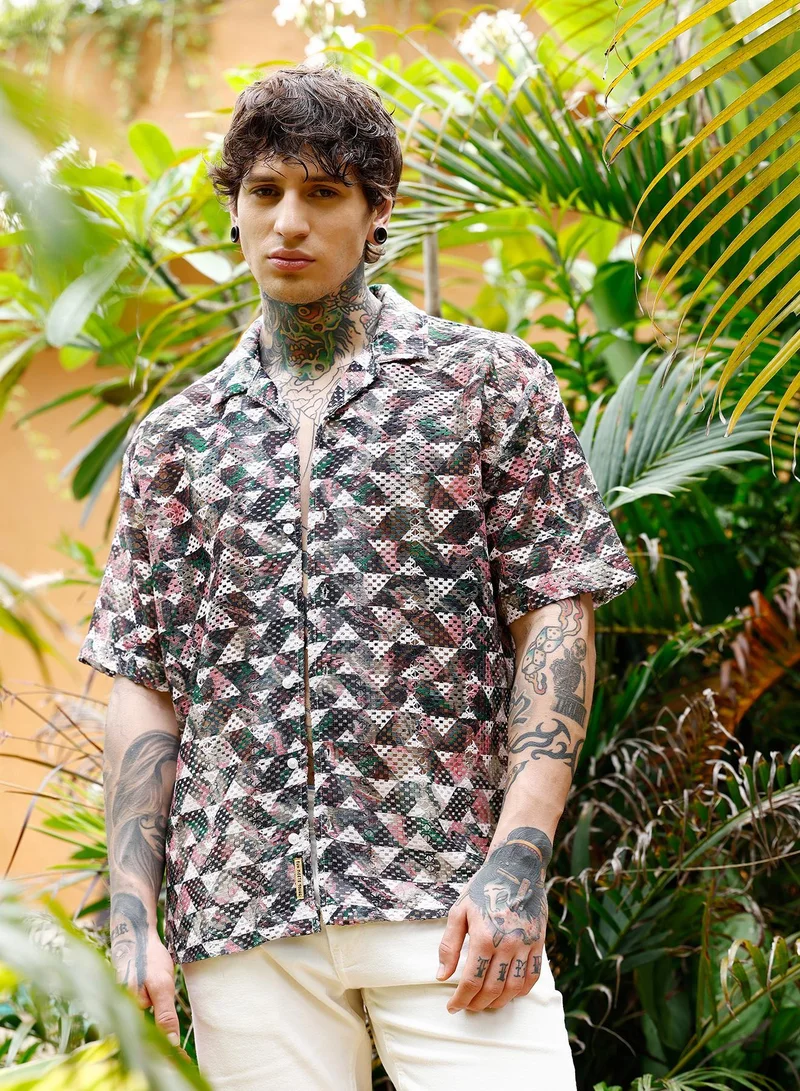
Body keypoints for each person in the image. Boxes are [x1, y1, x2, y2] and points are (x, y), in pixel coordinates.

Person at [78, 60, 638, 1091]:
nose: (288, 221)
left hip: (445, 900)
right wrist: (131, 914)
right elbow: (144, 682)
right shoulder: (176, 439)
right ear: (235, 208)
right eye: (265, 191)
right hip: (242, 919)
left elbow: (554, 618)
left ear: (377, 211)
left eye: (323, 192)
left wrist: (519, 855)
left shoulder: (484, 384)